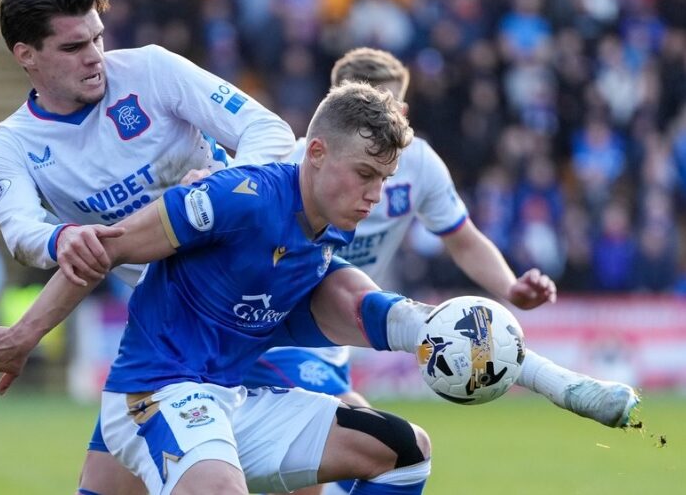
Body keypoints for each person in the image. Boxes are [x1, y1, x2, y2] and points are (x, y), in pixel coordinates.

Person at [0, 82, 435, 495]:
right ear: (315, 153)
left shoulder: (333, 227)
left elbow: (328, 308)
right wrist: (24, 335)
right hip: (157, 390)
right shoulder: (237, 197)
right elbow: (106, 249)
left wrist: (420, 327)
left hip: (232, 398)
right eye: (365, 175)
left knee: (405, 451)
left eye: (384, 179)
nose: (375, 195)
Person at [244, 48, 637, 495]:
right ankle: (567, 387)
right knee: (352, 448)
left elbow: (463, 237)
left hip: (341, 327)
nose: (376, 122)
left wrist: (509, 284)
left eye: (386, 108)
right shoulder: (298, 164)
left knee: (363, 456)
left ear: (403, 112)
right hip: (276, 329)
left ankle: (567, 387)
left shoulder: (419, 165)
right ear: (335, 108)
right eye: (362, 108)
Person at [0, 0, 295, 495]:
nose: (95, 56)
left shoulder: (151, 70)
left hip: (253, 289)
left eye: (98, 37)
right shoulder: (10, 146)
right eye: (74, 45)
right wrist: (61, 241)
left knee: (334, 462)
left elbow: (270, 131)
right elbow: (21, 231)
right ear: (25, 55)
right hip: (168, 323)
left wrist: (220, 184)